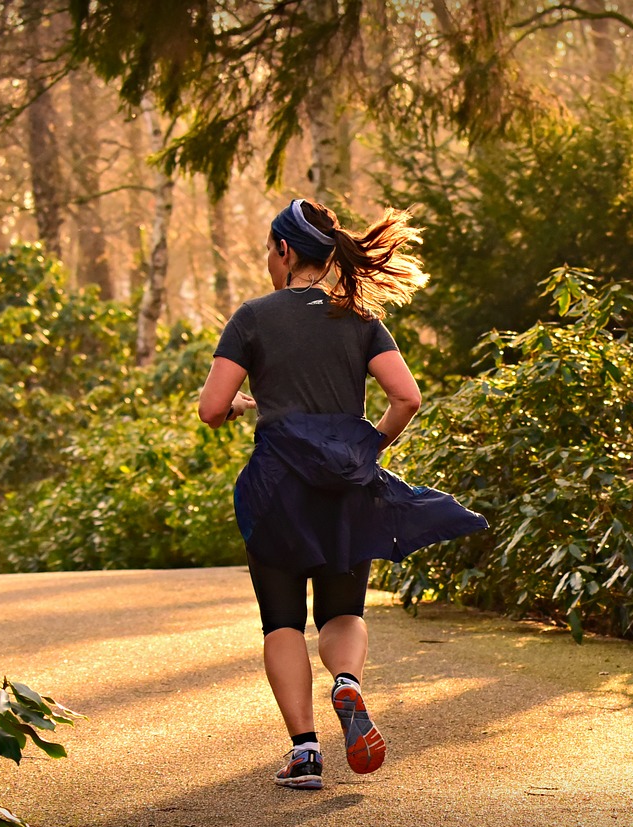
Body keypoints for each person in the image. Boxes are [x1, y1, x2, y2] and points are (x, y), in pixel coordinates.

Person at [198, 198, 485, 791]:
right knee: (342, 611)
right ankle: (348, 683)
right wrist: (365, 447)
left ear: (283, 251)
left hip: (277, 489)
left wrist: (239, 407)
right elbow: (407, 397)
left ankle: (305, 754)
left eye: (268, 253)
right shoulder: (358, 319)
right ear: (329, 257)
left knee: (281, 622)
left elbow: (209, 409)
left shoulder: (253, 317)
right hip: (343, 485)